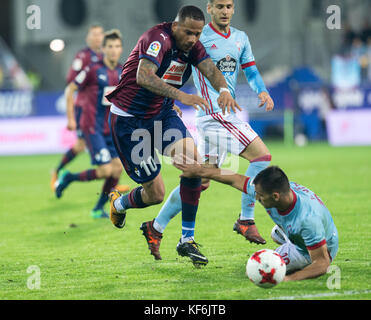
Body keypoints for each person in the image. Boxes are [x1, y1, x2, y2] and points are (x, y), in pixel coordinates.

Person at [106, 5, 240, 267]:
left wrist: (223, 88)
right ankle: (119, 204)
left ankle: (186, 239)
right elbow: (143, 76)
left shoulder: (193, 46)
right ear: (176, 26)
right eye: (188, 32)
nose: (193, 39)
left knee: (194, 166)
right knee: (155, 193)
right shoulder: (157, 38)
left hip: (161, 114)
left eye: (198, 34)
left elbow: (211, 70)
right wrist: (181, 96)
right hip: (129, 121)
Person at [141, 0, 274, 261]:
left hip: (224, 113)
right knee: (262, 157)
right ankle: (246, 219)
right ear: (209, 8)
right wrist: (170, 102)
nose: (226, 11)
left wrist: (262, 90)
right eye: (220, 6)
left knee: (199, 180)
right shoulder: (196, 38)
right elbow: (172, 69)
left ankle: (155, 227)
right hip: (214, 115)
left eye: (230, 6)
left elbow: (251, 70)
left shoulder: (240, 38)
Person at [173, 157, 339, 281]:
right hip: (302, 232)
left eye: (260, 196)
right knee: (275, 234)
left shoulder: (307, 220)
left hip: (317, 249)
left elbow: (322, 263)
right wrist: (200, 172)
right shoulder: (277, 190)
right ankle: (286, 240)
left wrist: (289, 278)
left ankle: (293, 250)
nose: (256, 198)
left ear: (275, 196)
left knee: (257, 269)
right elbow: (234, 178)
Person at [55, 30, 129, 219]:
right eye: (110, 46)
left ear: (121, 49)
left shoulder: (123, 71)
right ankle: (68, 177)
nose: (114, 50)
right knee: (105, 170)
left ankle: (97, 208)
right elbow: (70, 89)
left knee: (117, 170)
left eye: (117, 46)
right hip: (92, 127)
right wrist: (71, 118)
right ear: (103, 49)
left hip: (111, 128)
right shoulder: (93, 70)